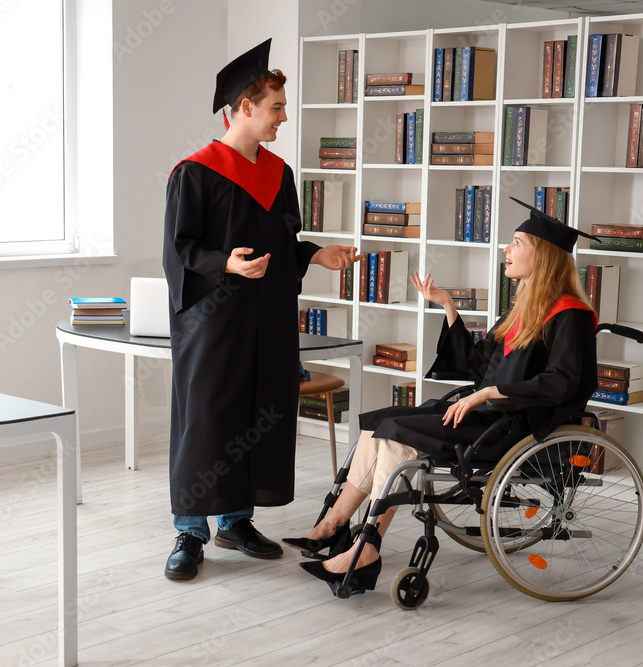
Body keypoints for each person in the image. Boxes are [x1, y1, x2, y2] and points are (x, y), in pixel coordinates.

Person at [285, 197, 601, 595]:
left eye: (516, 243)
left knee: (397, 435)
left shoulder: (569, 315)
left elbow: (566, 382)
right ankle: (331, 528)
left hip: (512, 427)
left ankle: (364, 548)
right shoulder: (521, 310)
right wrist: (449, 307)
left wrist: (491, 391)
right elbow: (478, 365)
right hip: (484, 414)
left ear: (545, 256)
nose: (506, 249)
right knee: (378, 424)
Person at [162, 38, 362, 581]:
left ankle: (237, 520)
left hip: (268, 323)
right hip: (213, 325)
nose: (283, 117)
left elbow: (285, 244)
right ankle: (189, 530)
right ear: (245, 108)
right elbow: (180, 253)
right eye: (276, 106)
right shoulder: (195, 174)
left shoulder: (280, 175)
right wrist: (226, 264)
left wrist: (319, 254)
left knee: (254, 417)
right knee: (206, 422)